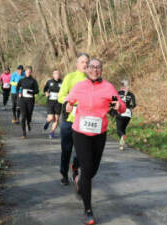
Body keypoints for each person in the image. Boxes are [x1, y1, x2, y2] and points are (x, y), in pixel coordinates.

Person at [65, 58, 126, 225]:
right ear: (87, 69)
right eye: (91, 67)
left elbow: (120, 105)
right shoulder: (79, 86)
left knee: (92, 171)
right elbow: (69, 100)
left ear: (102, 70)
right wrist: (68, 106)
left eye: (98, 67)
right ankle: (88, 210)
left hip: (99, 133)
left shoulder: (108, 87)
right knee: (87, 170)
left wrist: (117, 106)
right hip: (81, 132)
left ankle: (78, 179)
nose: (95, 70)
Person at [58, 53, 89, 186]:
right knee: (66, 149)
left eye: (87, 62)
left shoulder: (92, 80)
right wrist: (68, 104)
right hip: (68, 120)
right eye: (82, 62)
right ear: (77, 64)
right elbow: (61, 96)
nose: (85, 64)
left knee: (82, 150)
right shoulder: (70, 78)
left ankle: (75, 168)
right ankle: (64, 174)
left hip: (84, 121)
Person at [16, 66, 39, 139]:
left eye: (29, 71)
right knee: (23, 116)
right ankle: (24, 133)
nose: (28, 73)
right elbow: (17, 87)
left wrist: (31, 92)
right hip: (23, 100)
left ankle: (28, 123)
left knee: (29, 116)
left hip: (30, 100)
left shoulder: (33, 81)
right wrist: (19, 93)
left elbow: (37, 91)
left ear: (31, 72)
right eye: (27, 71)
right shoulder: (22, 80)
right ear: (25, 72)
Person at [116, 79, 136, 151]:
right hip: (128, 113)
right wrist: (130, 108)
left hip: (120, 112)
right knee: (123, 128)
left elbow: (113, 103)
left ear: (121, 86)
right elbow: (134, 105)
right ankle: (121, 145)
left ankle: (122, 136)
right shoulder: (131, 94)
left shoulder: (117, 93)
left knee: (119, 130)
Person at [43, 70, 63, 139]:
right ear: (53, 75)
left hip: (58, 102)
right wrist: (46, 93)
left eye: (58, 74)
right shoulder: (49, 82)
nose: (57, 75)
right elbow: (44, 89)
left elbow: (65, 91)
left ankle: (52, 132)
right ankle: (47, 122)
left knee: (56, 119)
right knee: (51, 117)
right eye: (55, 74)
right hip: (50, 102)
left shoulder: (62, 82)